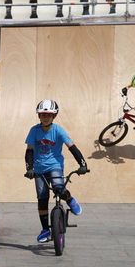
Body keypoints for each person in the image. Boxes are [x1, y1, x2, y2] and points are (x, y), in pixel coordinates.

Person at [24, 100, 89, 243]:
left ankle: (70, 200)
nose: (45, 117)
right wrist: (29, 168)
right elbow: (29, 151)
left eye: (48, 115)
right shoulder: (34, 131)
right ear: (39, 116)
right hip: (39, 169)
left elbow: (72, 147)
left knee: (59, 188)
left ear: (54, 116)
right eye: (42, 115)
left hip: (55, 166)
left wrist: (82, 164)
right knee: (42, 198)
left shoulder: (58, 130)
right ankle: (45, 230)